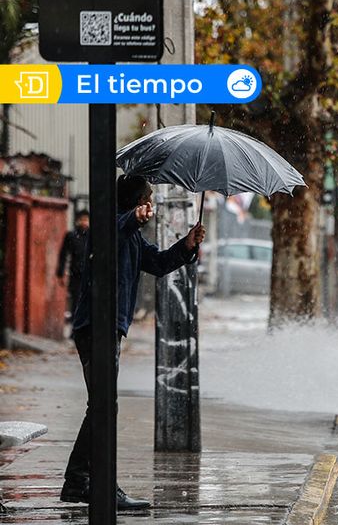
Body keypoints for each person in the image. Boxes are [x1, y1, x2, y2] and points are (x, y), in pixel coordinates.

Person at [60, 175, 206, 510]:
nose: (151, 203)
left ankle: (78, 482)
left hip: (108, 327)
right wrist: (133, 219)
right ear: (138, 202)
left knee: (102, 405)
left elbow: (159, 263)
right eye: (148, 198)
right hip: (96, 326)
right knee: (103, 406)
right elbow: (116, 231)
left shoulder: (134, 238)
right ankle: (94, 484)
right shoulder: (108, 227)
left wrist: (187, 244)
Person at [57, 210, 90, 320]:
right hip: (75, 273)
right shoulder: (71, 236)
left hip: (89, 274)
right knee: (76, 299)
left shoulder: (91, 236)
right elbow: (63, 254)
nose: (84, 222)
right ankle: (76, 323)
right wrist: (61, 273)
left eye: (86, 220)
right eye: (82, 220)